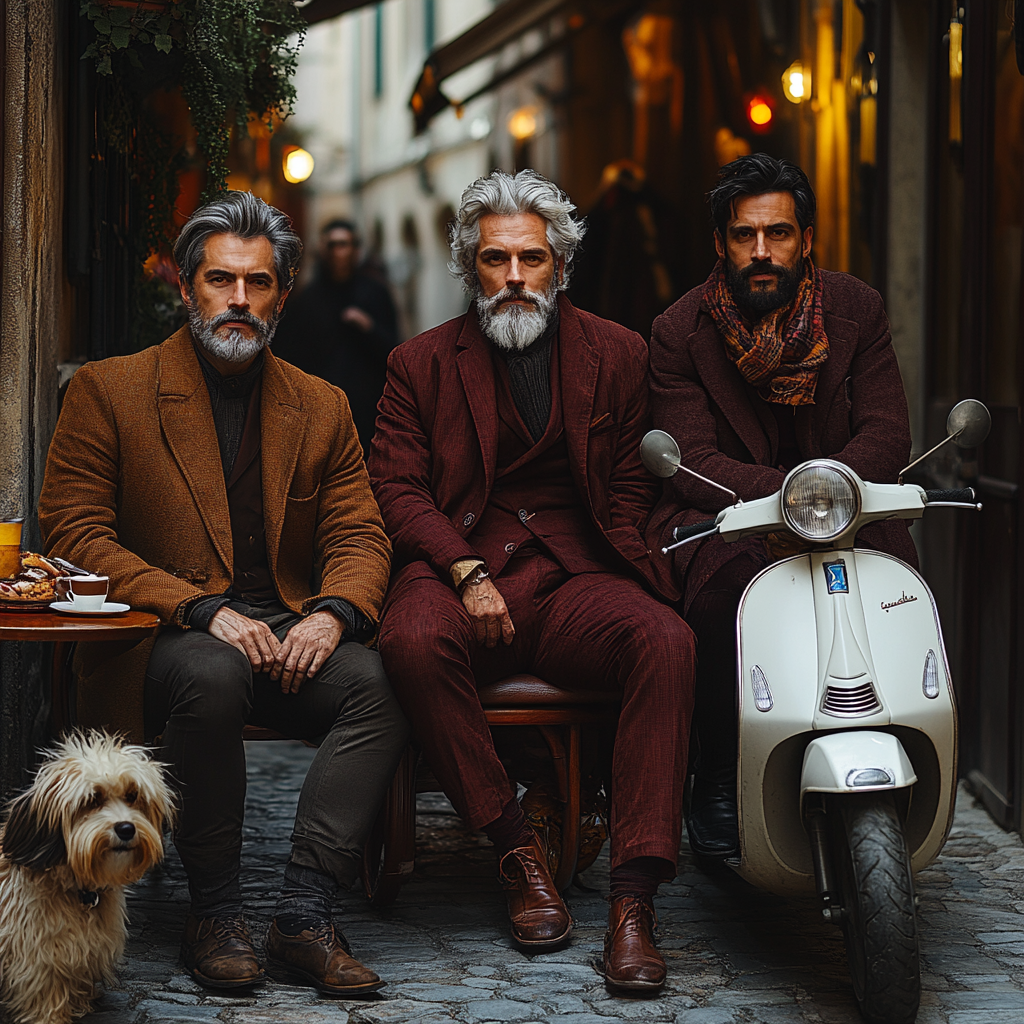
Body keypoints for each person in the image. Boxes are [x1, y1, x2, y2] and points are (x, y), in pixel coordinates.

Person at [37, 192, 409, 996]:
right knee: (213, 673)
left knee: (378, 686)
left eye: (258, 283)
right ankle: (216, 911)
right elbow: (72, 531)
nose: (238, 300)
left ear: (283, 293)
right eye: (220, 280)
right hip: (162, 629)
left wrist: (336, 613)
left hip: (288, 624)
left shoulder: (322, 404)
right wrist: (201, 608)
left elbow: (359, 532)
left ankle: (304, 914)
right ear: (186, 287)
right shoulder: (110, 390)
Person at [367, 169, 696, 994]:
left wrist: (629, 559)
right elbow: (397, 489)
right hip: (459, 566)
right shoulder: (418, 365)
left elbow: (633, 482)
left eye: (532, 260)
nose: (514, 277)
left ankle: (632, 903)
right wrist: (463, 568)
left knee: (667, 640)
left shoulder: (620, 354)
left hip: (576, 578)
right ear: (470, 268)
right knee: (407, 639)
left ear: (562, 266)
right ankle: (517, 851)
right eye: (494, 260)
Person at [646, 153, 917, 858]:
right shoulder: (678, 331)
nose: (761, 252)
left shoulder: (858, 309)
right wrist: (785, 504)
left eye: (779, 234)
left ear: (808, 239)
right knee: (715, 601)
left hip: (847, 508)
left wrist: (822, 500)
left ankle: (903, 734)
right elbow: (691, 459)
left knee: (903, 592)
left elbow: (888, 429)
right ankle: (717, 769)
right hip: (734, 517)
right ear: (720, 244)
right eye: (744, 235)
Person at [273, 218, 399, 452]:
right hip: (320, 414)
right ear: (323, 250)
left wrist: (368, 327)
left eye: (344, 244)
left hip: (368, 412)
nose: (339, 252)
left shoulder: (375, 292)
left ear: (356, 250)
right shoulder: (307, 300)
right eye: (333, 245)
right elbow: (289, 357)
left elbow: (394, 352)